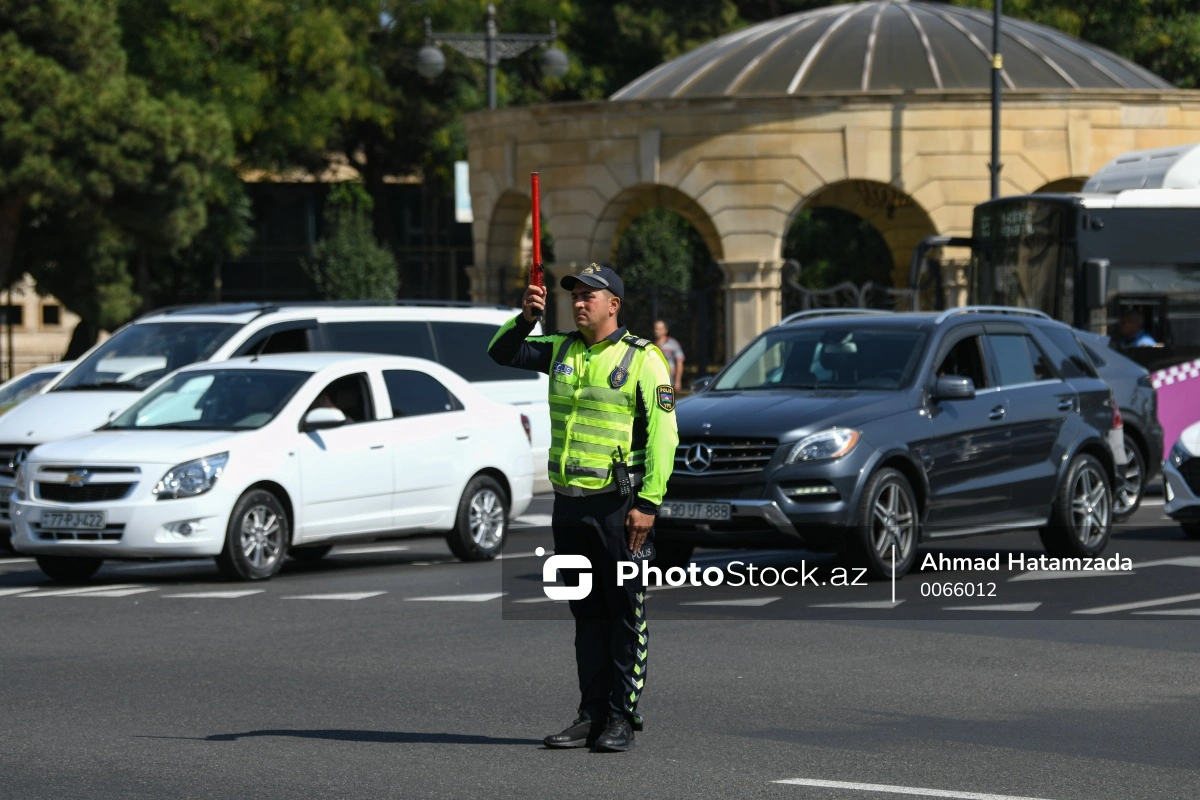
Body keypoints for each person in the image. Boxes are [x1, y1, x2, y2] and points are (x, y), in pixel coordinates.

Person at [488, 262, 678, 753]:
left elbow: (664, 436)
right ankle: (590, 715)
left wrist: (649, 503)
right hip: (570, 506)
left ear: (613, 305)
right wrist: (526, 317)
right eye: (573, 294)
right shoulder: (560, 349)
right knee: (586, 615)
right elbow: (500, 353)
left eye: (589, 295)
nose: (578, 301)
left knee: (623, 614)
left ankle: (620, 717)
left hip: (619, 508)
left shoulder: (644, 359)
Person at [653, 320, 686, 392]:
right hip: (655, 380)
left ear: (665, 330)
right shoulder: (652, 345)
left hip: (670, 380)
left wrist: (678, 381)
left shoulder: (673, 344)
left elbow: (679, 362)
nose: (657, 331)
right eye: (655, 328)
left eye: (659, 329)